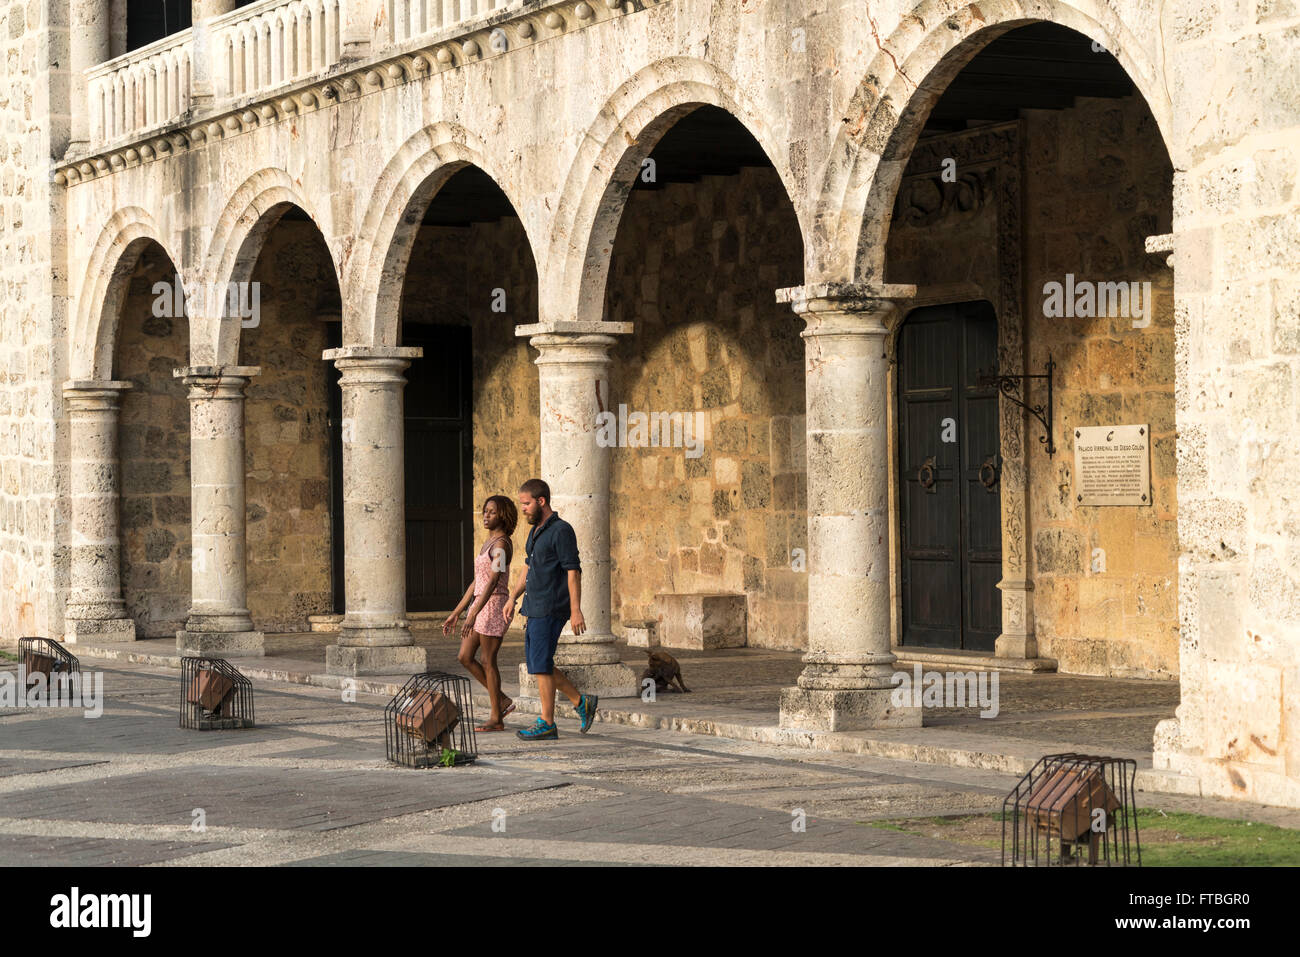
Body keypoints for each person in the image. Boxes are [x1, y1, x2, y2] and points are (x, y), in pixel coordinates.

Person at [503, 478, 598, 740]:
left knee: (541, 664)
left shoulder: (561, 531)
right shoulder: (535, 532)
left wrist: (576, 609)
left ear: (541, 501)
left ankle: (547, 722)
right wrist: (512, 598)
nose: (522, 509)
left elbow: (573, 571)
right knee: (538, 664)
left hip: (551, 607)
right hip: (533, 607)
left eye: (526, 504)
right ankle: (582, 702)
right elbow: (528, 568)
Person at [443, 495, 517, 731]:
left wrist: (474, 612)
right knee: (464, 656)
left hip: (493, 605)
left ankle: (497, 717)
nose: (486, 515)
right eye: (485, 511)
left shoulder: (502, 545)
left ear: (503, 516)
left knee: (487, 661)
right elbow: (477, 582)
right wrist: (458, 612)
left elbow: (494, 581)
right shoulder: (488, 543)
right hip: (479, 604)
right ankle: (502, 700)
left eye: (492, 512)